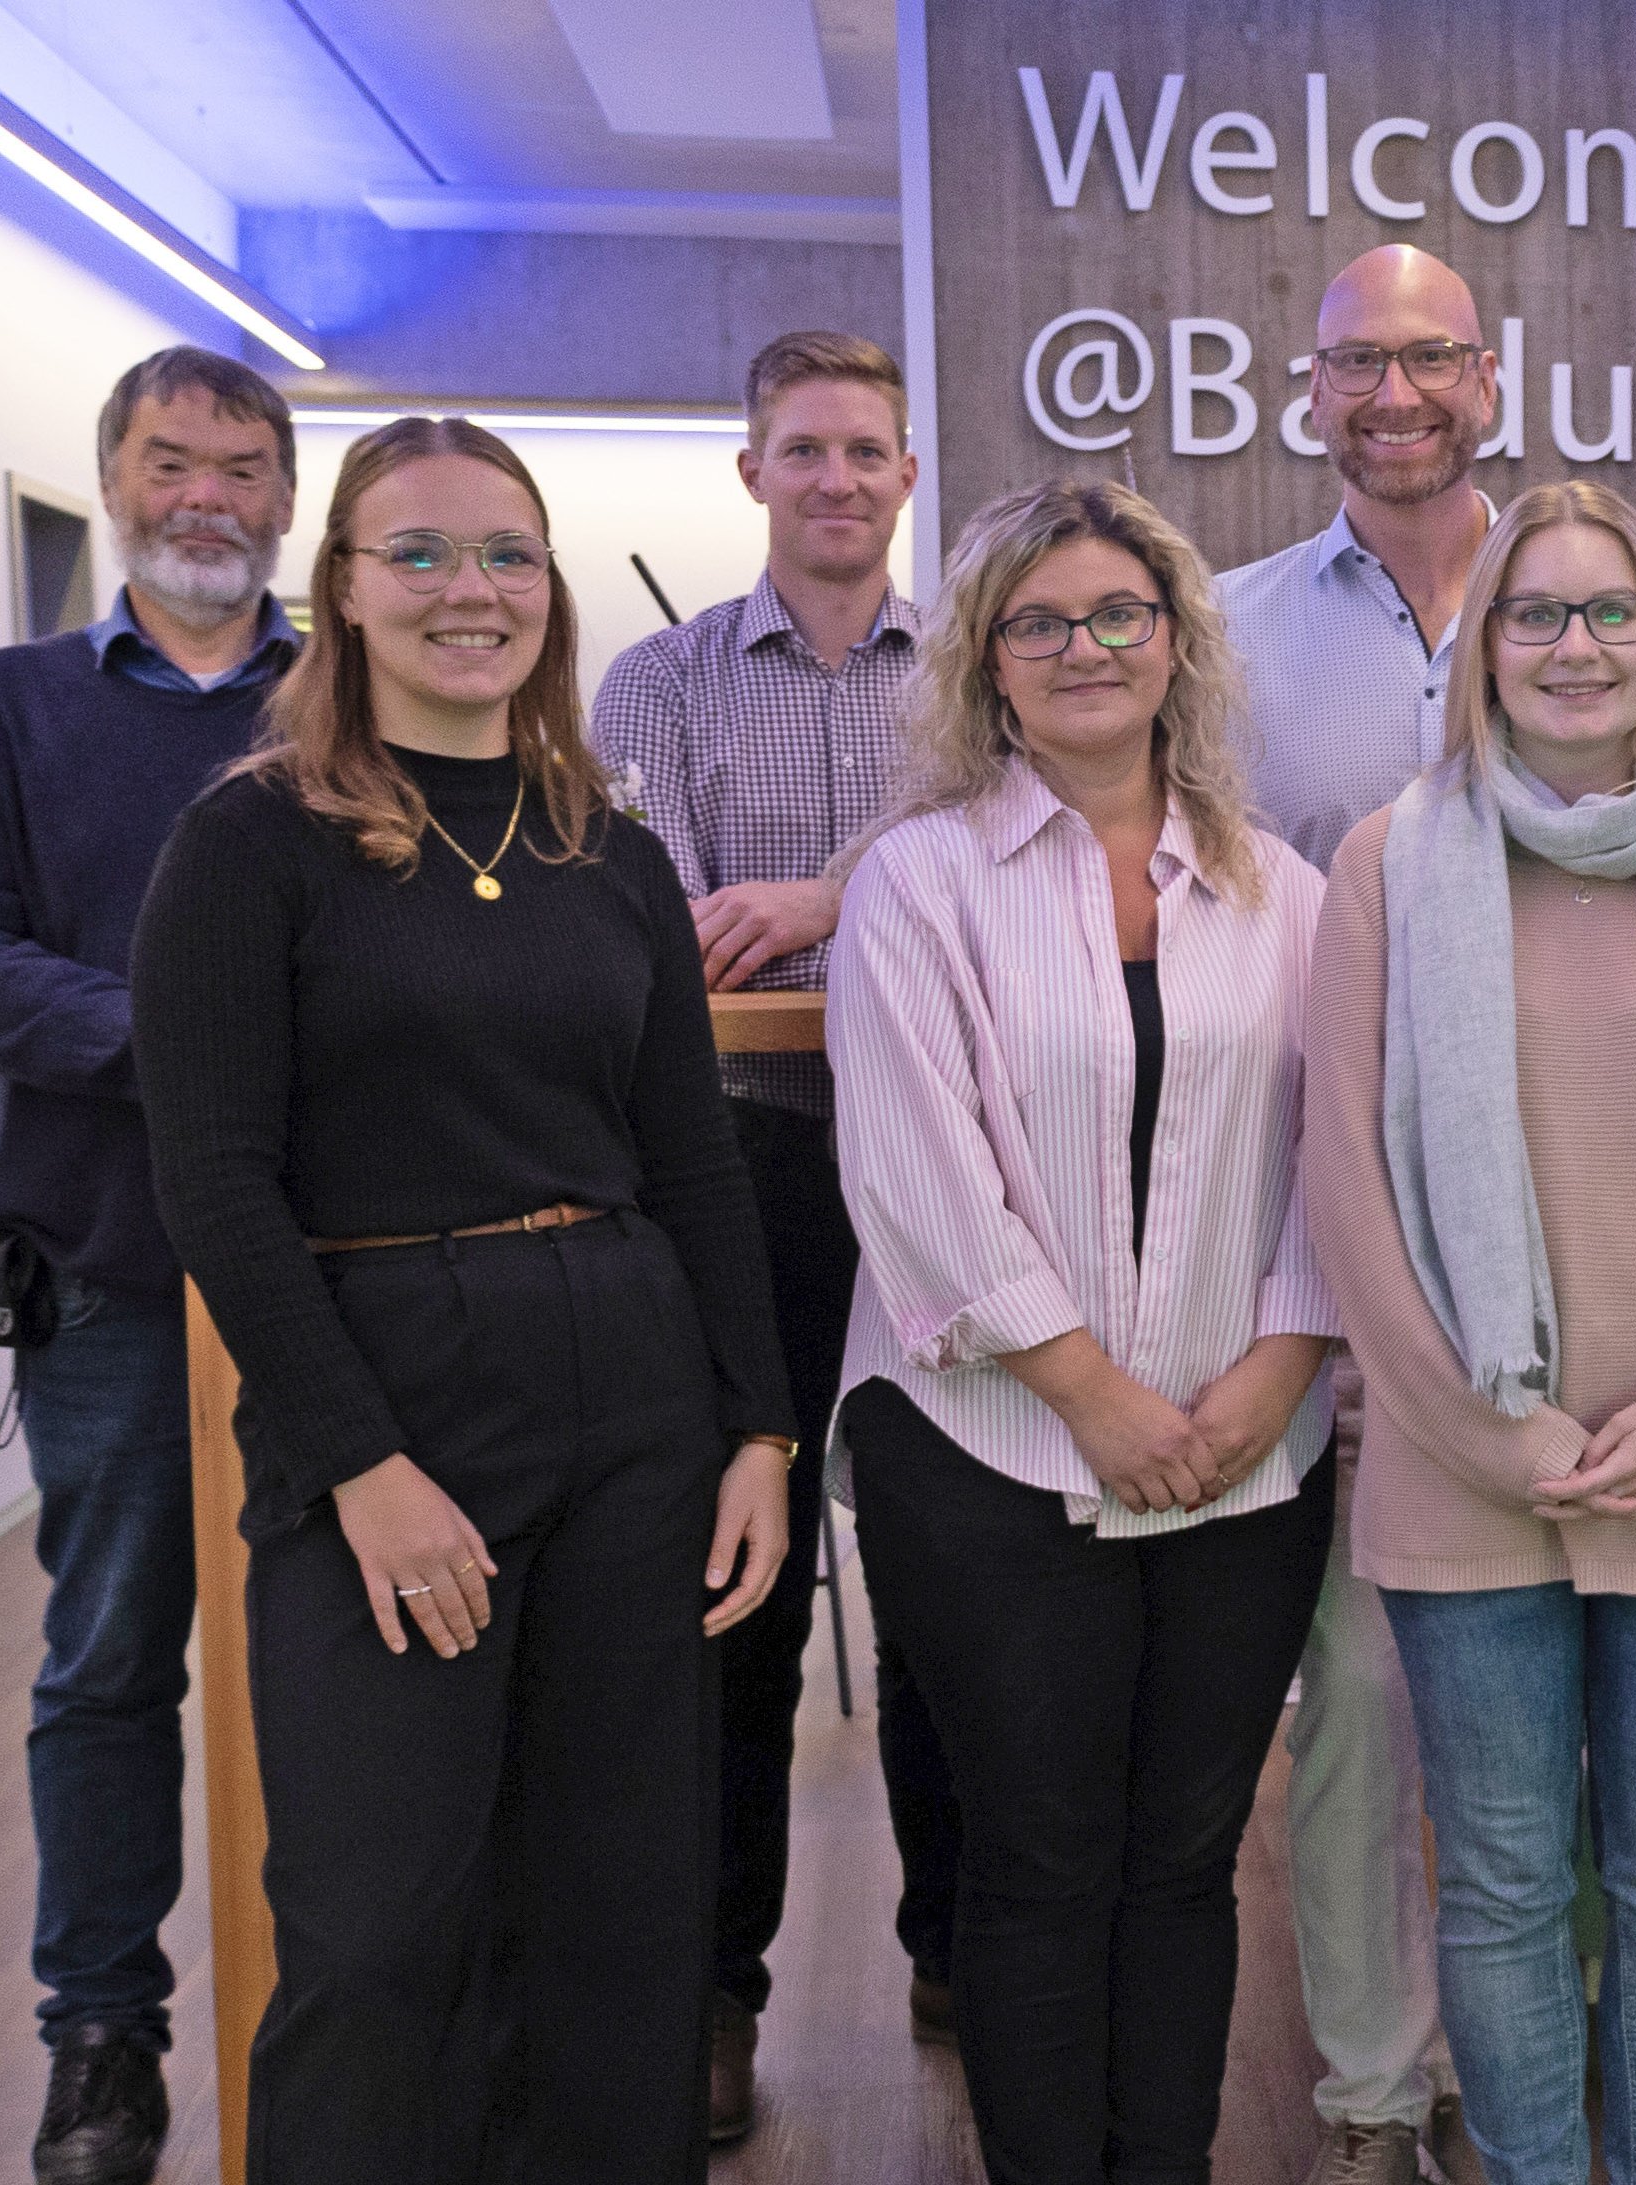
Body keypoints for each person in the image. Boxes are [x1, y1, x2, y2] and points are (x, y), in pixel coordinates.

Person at [131, 416, 800, 2182]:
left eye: (504, 552)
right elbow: (213, 1181)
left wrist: (755, 1425)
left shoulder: (611, 849)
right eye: (416, 554)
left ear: (550, 587)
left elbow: (694, 1160)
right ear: (340, 590)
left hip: (633, 1395)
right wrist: (361, 1464)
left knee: (617, 1916)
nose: (467, 591)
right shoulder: (250, 845)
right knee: (374, 1925)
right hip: (389, 1399)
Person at [1308, 480, 1636, 2185]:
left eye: (1612, 611)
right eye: (1536, 613)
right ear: (1485, 649)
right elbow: (1345, 1188)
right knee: (1506, 1879)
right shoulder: (1391, 860)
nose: (1576, 645)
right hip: (1473, 1475)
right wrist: (1501, 1432)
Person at [826, 479, 1338, 2185]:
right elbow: (917, 1171)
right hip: (984, 1444)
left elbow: (1339, 1163)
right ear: (986, 665)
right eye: (1038, 622)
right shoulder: (919, 882)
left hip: (1249, 1453)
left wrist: (1276, 1369)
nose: (1084, 647)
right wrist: (1093, 1394)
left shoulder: (1291, 897)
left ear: (1178, 643)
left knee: (1188, 1855)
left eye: (1120, 612)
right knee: (1040, 1858)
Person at [0, 344, 297, 2185]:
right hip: (118, 1275)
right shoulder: (8, 707)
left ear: (288, 499)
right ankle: (102, 2039)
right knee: (112, 1663)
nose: (202, 493)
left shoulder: (352, 693)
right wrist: (183, 1037)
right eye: (168, 462)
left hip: (341, 1275)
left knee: (352, 1660)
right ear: (115, 480)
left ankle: (355, 2003)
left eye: (239, 463)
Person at [585, 326, 966, 2136]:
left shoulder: (978, 675)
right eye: (801, 450)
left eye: (866, 451)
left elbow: (1001, 874)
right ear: (751, 474)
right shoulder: (651, 685)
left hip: (938, 1177)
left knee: (953, 1585)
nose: (835, 479)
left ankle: (960, 1944)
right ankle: (714, 1992)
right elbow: (647, 925)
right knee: (733, 1596)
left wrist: (829, 893)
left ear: (907, 476)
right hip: (722, 1180)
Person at [1212, 240, 1503, 2185]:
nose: (1392, 394)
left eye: (1428, 359)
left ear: (1490, 377)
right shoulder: (1224, 634)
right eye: (1355, 365)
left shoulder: (1583, 601)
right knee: (1362, 1683)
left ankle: (1515, 2059)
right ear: (1309, 397)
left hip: (1558, 1227)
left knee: (1531, 1684)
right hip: (1319, 1216)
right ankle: (1381, 2091)